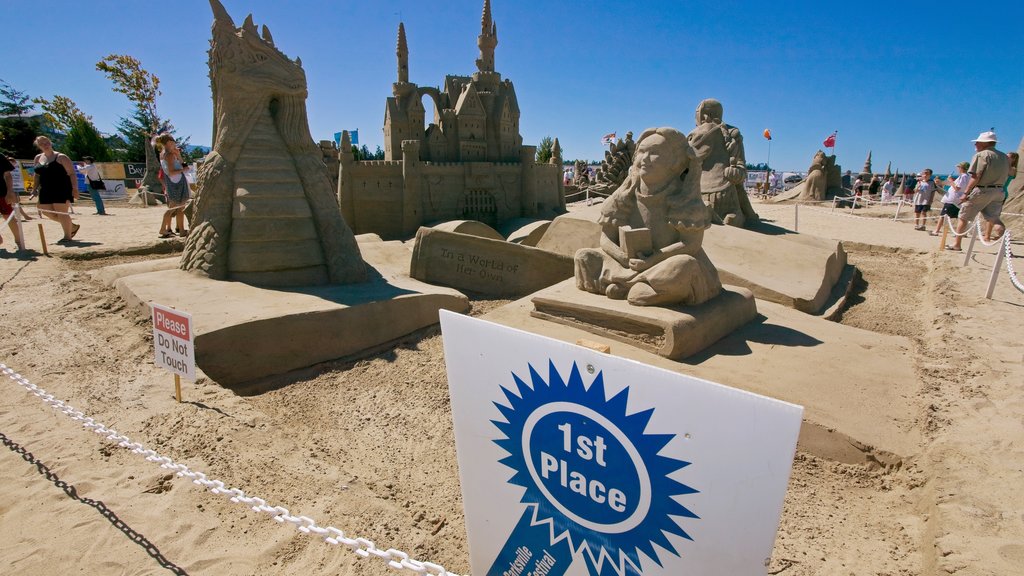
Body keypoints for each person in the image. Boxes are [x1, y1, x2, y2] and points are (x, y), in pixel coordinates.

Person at [574, 127, 721, 307]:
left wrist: (653, 259)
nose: (645, 159)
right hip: (627, 264)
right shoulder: (626, 194)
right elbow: (605, 237)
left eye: (654, 153)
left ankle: (628, 286)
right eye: (641, 152)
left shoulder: (685, 199)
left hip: (663, 264)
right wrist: (622, 257)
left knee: (683, 266)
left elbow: (691, 244)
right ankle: (633, 285)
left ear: (676, 162)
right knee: (583, 256)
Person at [949, 132, 1010, 251]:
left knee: (963, 216)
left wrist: (966, 193)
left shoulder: (981, 155)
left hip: (983, 189)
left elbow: (976, 176)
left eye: (977, 142)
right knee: (994, 219)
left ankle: (957, 244)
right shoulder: (1004, 157)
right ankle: (1006, 249)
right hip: (999, 190)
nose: (975, 144)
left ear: (984, 143)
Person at [31, 136, 79, 243]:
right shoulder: (38, 158)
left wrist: (75, 189)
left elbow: (71, 173)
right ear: (38, 146)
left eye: (47, 142)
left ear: (50, 142)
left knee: (62, 212)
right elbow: (37, 175)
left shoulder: (61, 157)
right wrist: (34, 188)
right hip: (45, 188)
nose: (45, 145)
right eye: (42, 143)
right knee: (44, 210)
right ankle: (72, 226)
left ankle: (67, 236)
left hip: (61, 188)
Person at [153, 134, 191, 238]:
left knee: (174, 207)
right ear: (169, 142)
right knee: (179, 207)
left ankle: (167, 229)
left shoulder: (163, 154)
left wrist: (178, 155)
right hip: (176, 182)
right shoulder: (169, 155)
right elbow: (171, 172)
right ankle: (180, 230)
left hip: (172, 182)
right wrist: (183, 169)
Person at [984, 151, 1017, 241]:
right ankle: (988, 235)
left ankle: (989, 235)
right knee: (992, 215)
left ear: (1013, 159)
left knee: (992, 215)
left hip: (999, 191)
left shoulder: (1011, 169)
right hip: (1000, 191)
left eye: (1008, 157)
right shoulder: (1008, 168)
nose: (1005, 158)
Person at [931, 162, 970, 236]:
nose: (957, 169)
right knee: (958, 216)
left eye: (958, 167)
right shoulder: (966, 176)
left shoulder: (964, 176)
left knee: (943, 215)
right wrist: (944, 182)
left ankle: (936, 230)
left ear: (961, 168)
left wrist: (951, 180)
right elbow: (955, 186)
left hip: (953, 199)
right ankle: (959, 232)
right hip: (957, 199)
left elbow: (957, 188)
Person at [1, 154, 25, 250]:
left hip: (1, 193)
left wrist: (10, 191)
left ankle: (19, 241)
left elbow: (8, 175)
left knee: (8, 216)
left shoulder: (0, 157)